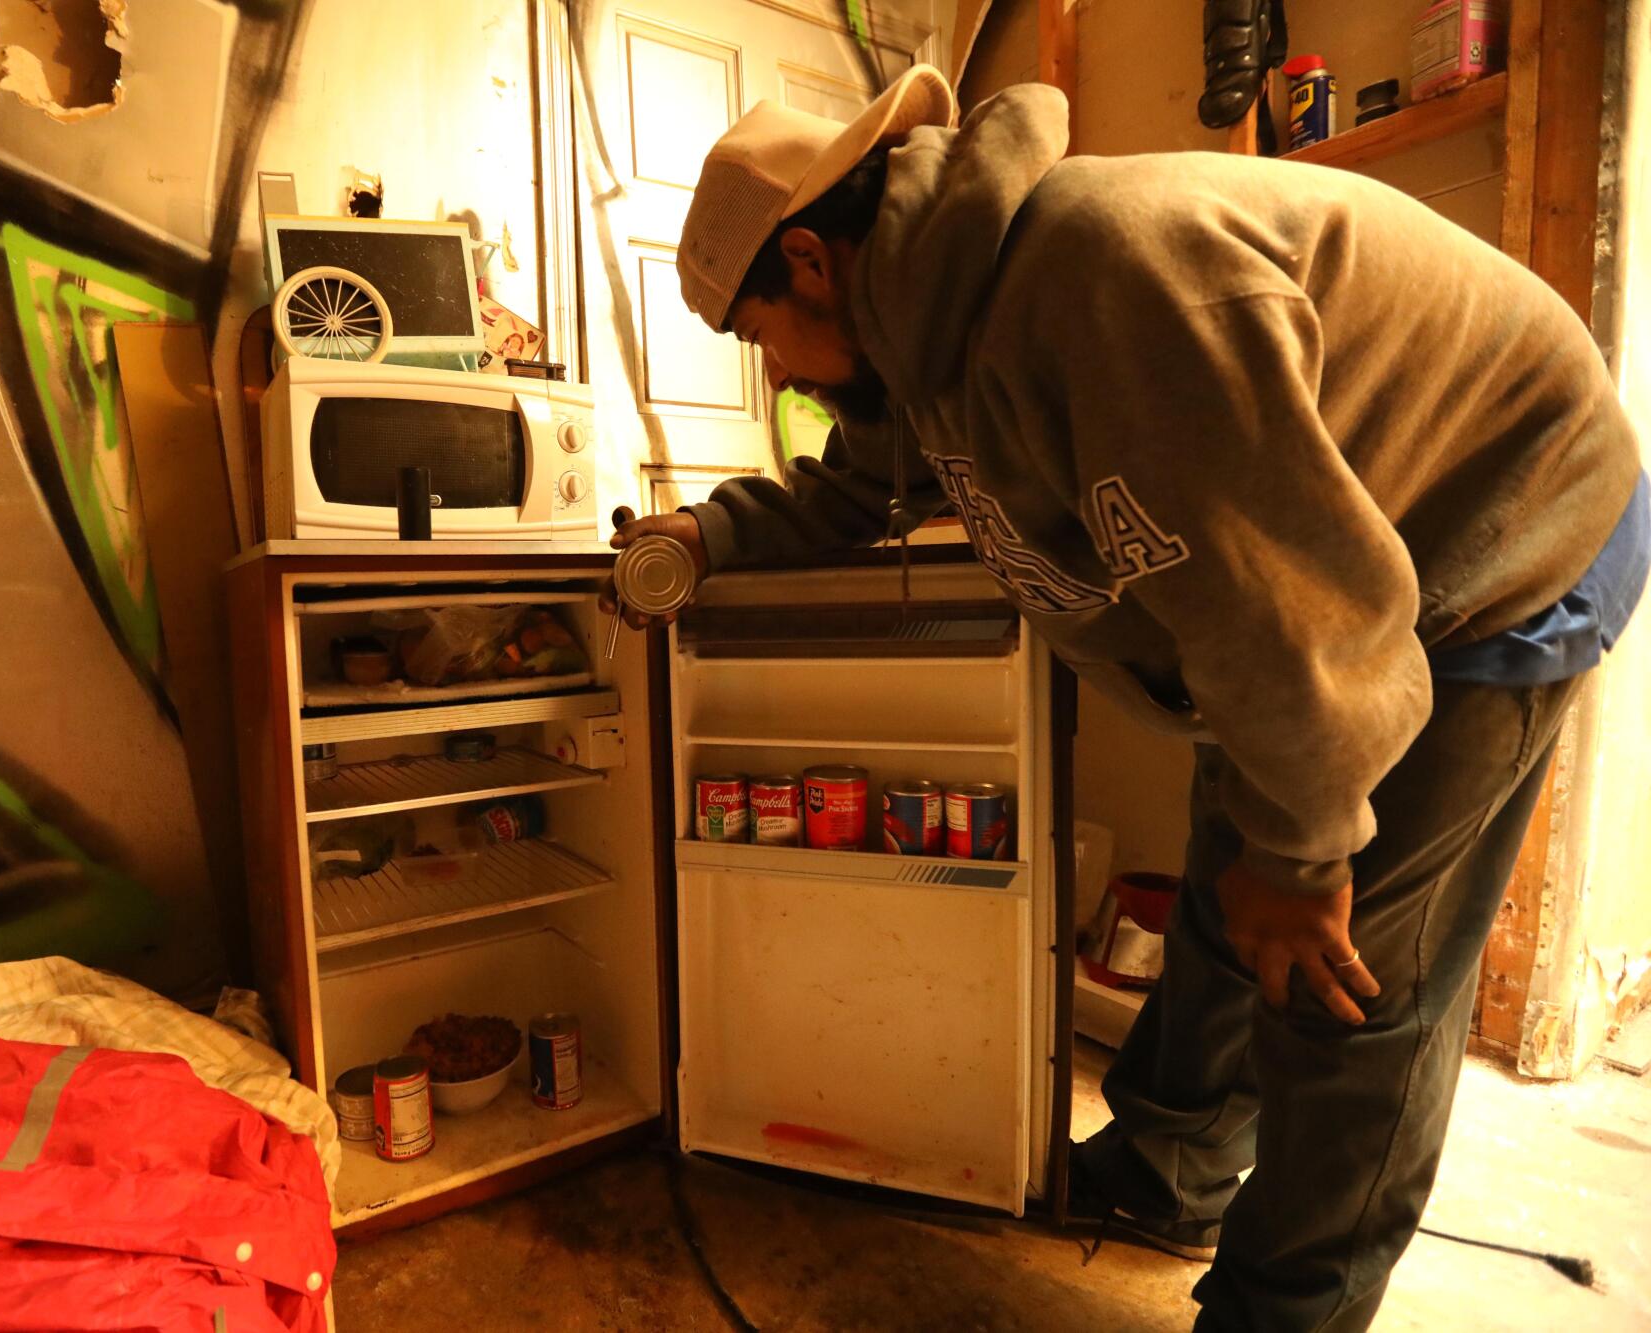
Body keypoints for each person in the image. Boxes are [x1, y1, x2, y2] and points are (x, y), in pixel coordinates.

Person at [603, 66, 1648, 1332]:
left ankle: (1286, 1308)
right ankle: (1169, 1172)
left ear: (811, 264)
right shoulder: (925, 332)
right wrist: (707, 537)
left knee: (1351, 983)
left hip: (1499, 534)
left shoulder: (1115, 284)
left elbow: (1299, 610)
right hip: (1312, 596)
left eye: (755, 335)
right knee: (1228, 896)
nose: (773, 373)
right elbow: (853, 489)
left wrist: (1309, 848)